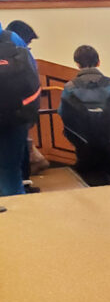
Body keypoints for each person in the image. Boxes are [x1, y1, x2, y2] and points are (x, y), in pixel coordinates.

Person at [58, 45, 110, 186]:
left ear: (77, 64)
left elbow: (63, 112)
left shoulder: (70, 87)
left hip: (82, 142)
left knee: (86, 173)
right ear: (98, 62)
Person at [6, 20, 49, 188]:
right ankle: (23, 186)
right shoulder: (18, 47)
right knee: (13, 163)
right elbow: (31, 82)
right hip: (17, 112)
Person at [0, 20, 40, 197]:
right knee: (11, 171)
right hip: (15, 117)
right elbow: (32, 76)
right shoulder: (13, 38)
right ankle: (20, 218)